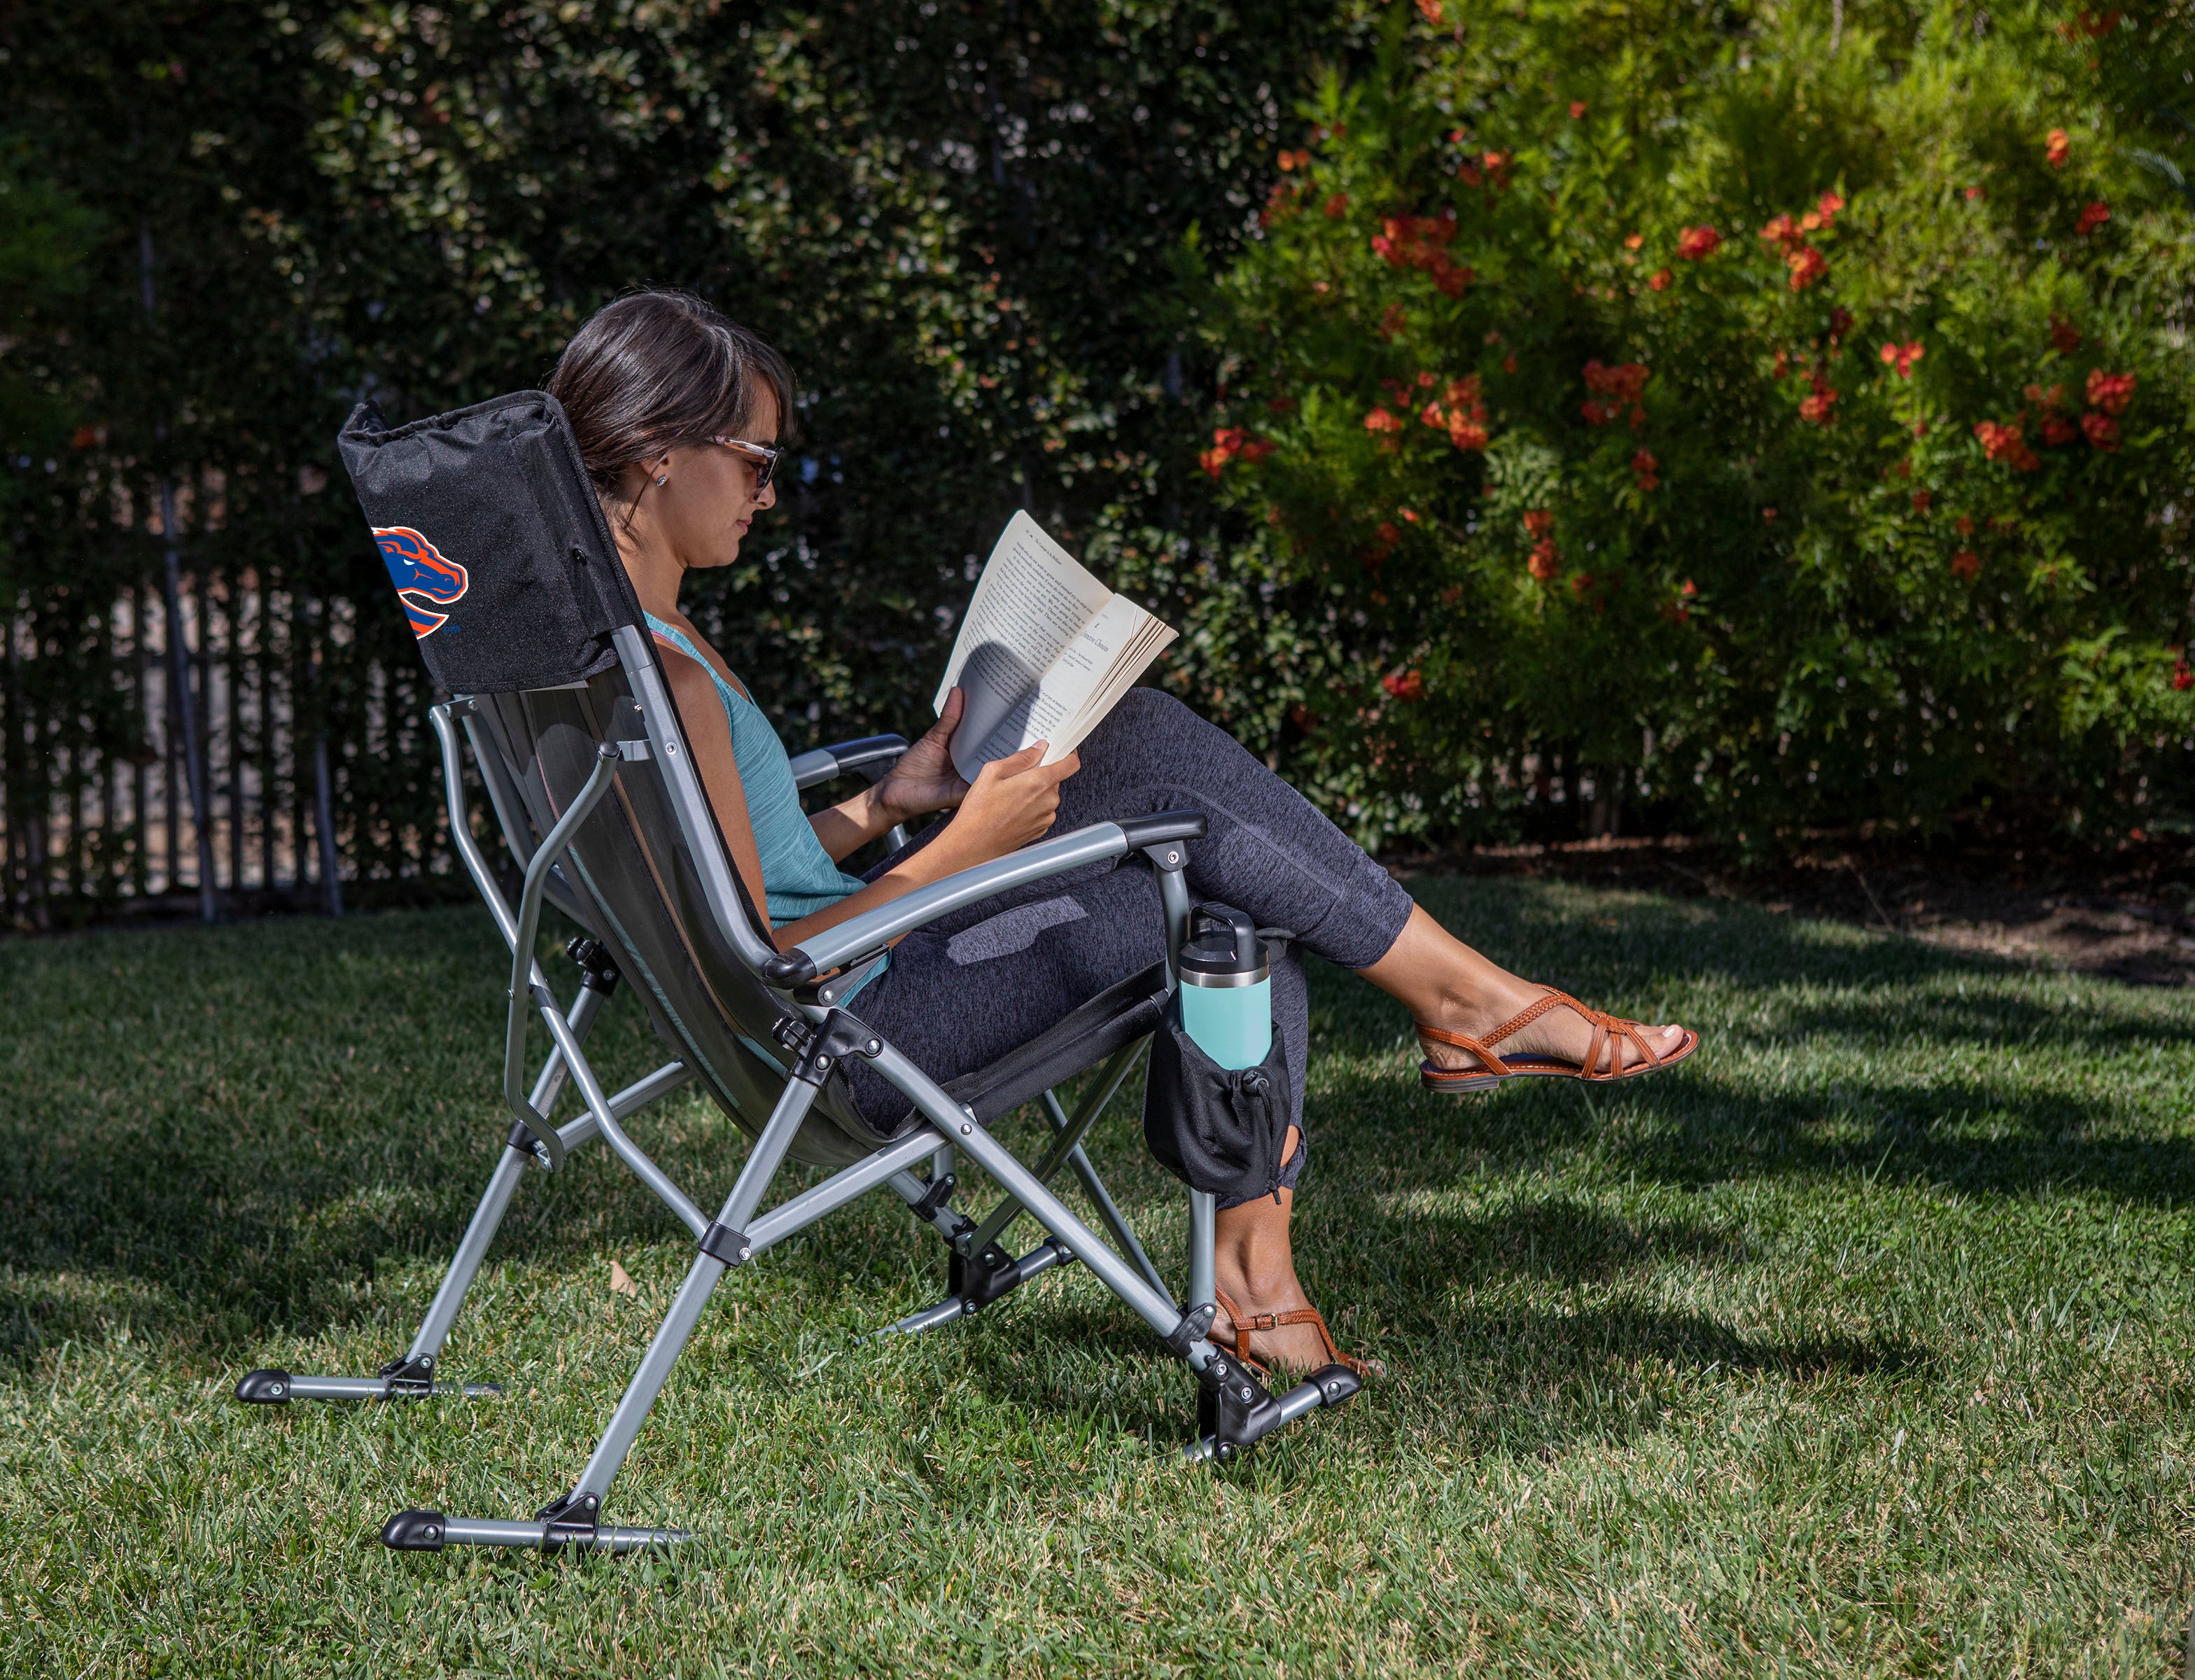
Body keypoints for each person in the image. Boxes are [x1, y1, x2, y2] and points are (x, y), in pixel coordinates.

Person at [548, 290, 1697, 1378]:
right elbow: (764, 961)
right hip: (859, 1039)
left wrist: (896, 805)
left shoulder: (614, 659)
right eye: (754, 460)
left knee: (1182, 808)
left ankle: (1355, 1158)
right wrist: (968, 847)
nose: (769, 491)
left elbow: (737, 877)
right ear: (659, 451)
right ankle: (1406, 1091)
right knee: (1214, 870)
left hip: (834, 1011)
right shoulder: (668, 682)